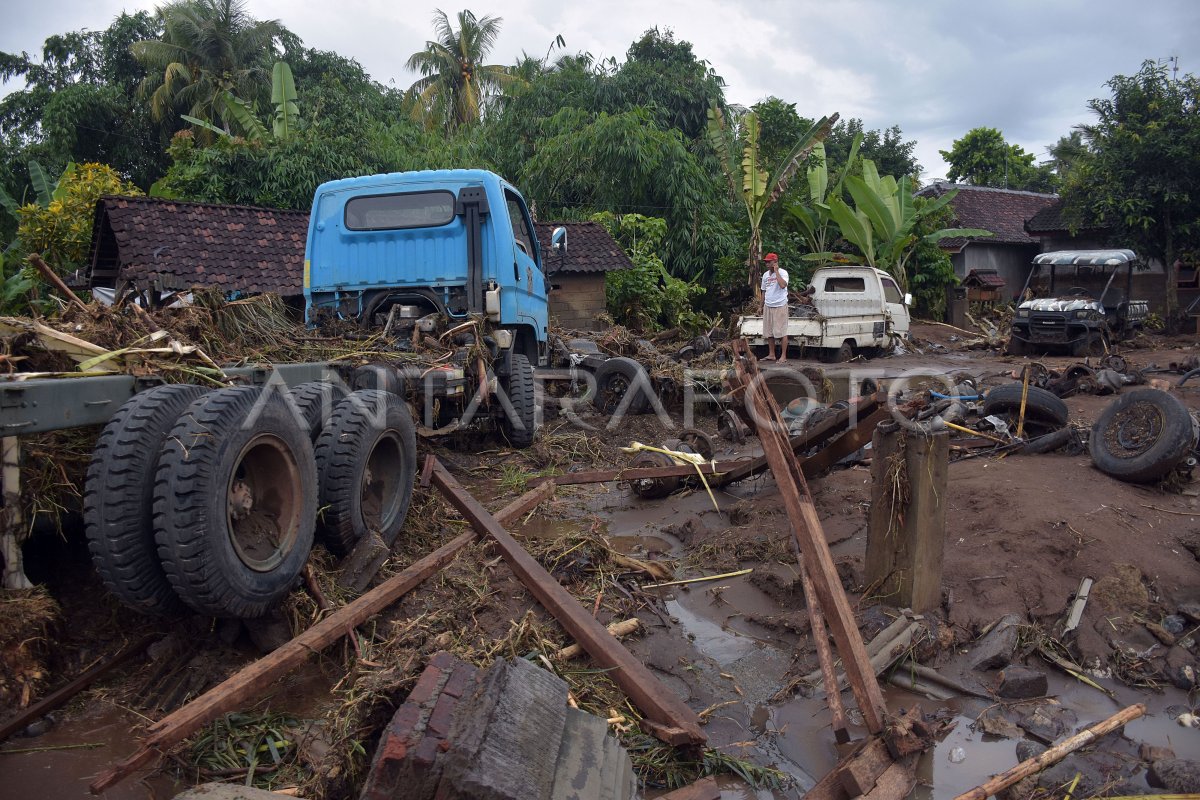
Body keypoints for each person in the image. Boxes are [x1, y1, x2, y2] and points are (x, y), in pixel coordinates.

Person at [760, 252, 789, 362]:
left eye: (769, 262)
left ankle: (783, 356)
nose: (767, 263)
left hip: (780, 305)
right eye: (766, 262)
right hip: (768, 305)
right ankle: (771, 354)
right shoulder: (765, 275)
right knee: (769, 332)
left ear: (775, 262)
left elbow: (782, 285)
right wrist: (760, 306)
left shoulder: (783, 273)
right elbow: (763, 291)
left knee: (782, 332)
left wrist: (776, 271)